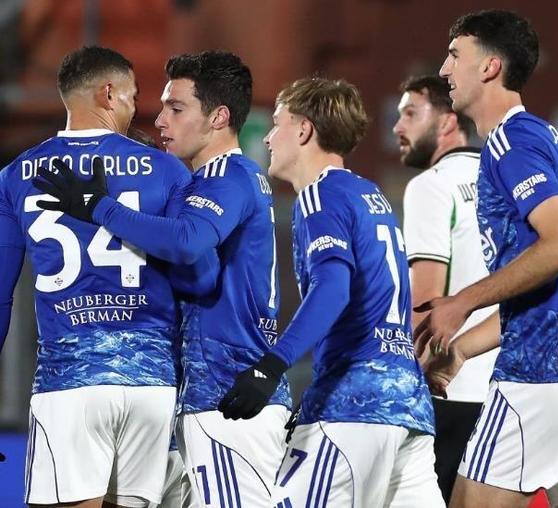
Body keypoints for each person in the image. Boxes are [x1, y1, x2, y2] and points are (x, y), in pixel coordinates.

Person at [35, 50, 291, 508]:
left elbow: (189, 243)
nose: (160, 120)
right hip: (213, 394)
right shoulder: (213, 180)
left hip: (230, 395)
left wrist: (100, 207)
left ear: (218, 117)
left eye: (176, 108)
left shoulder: (227, 175)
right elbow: (197, 276)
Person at [414, 9, 558, 508]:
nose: (445, 69)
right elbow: (548, 284)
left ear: (490, 67)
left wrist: (461, 302)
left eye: (455, 55)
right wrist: (462, 350)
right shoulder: (544, 137)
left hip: (541, 372)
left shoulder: (509, 141)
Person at [0, 46, 217, 507]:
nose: (136, 108)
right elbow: (200, 277)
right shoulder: (165, 169)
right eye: (133, 96)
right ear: (108, 92)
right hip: (151, 385)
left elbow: (1, 294)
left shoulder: (16, 175)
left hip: (69, 381)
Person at [217, 76, 444, 507]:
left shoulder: (320, 195)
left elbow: (333, 288)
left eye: (278, 123)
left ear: (304, 130)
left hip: (354, 404)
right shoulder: (368, 194)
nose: (267, 137)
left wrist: (271, 366)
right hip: (408, 404)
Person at [393, 74, 498, 502]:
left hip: (448, 389)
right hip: (506, 393)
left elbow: (426, 304)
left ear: (447, 122)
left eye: (410, 114)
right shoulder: (502, 181)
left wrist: (405, 381)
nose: (398, 127)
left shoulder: (431, 185)